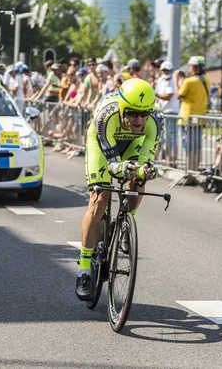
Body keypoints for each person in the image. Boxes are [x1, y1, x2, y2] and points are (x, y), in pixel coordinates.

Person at [75, 78, 164, 300]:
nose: (139, 119)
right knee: (99, 198)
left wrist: (143, 170)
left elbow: (146, 157)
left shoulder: (156, 120)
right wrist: (121, 167)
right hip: (103, 143)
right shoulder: (107, 114)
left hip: (132, 145)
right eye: (133, 113)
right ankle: (84, 268)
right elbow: (112, 164)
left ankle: (126, 223)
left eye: (144, 114)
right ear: (123, 109)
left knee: (138, 181)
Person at [176, 56, 210, 171]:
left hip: (187, 117)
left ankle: (190, 170)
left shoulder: (189, 81)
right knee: (197, 145)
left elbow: (178, 95)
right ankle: (195, 168)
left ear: (193, 66)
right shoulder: (206, 80)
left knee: (189, 146)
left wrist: (176, 79)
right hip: (199, 117)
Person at [155, 61, 179, 167]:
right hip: (162, 113)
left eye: (167, 70)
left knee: (171, 139)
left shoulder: (173, 81)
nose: (165, 72)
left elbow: (168, 96)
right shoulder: (160, 80)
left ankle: (171, 161)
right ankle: (154, 160)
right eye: (164, 70)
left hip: (171, 113)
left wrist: (156, 94)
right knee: (160, 138)